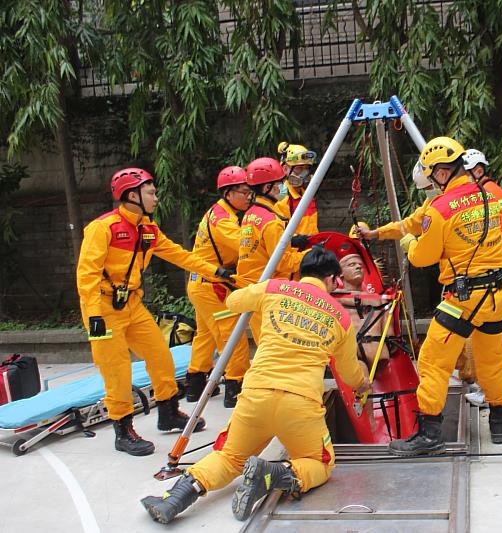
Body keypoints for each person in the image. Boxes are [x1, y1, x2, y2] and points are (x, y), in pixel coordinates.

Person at [141, 246, 370, 524]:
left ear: (301, 273)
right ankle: (274, 473)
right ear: (334, 279)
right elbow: (349, 375)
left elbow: (234, 301)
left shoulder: (275, 288)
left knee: (228, 457)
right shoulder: (341, 317)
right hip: (300, 405)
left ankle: (174, 499)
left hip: (255, 396)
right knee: (320, 463)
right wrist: (363, 379)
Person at [77, 168, 231, 456]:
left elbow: (179, 255)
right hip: (102, 308)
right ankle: (123, 431)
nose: (156, 198)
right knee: (117, 369)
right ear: (132, 195)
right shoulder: (104, 228)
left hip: (132, 305)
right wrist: (95, 315)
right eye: (151, 192)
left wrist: (217, 272)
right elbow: (87, 274)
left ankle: (168, 413)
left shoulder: (148, 230)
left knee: (161, 355)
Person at [387, 137, 502, 456]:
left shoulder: (440, 208)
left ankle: (429, 433)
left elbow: (423, 258)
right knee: (491, 361)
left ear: (441, 173)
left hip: (464, 299)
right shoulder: (489, 195)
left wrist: (409, 245)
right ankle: (498, 421)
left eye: (431, 177)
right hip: (497, 296)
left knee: (432, 360)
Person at [185, 166, 254, 409]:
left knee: (205, 335)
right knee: (232, 335)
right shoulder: (224, 220)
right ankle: (235, 386)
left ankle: (194, 384)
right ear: (228, 193)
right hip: (212, 286)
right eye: (243, 192)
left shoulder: (218, 213)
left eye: (250, 192)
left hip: (200, 285)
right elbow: (244, 246)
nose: (249, 197)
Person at [461, 149, 502, 406]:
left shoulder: (485, 195)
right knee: (499, 311)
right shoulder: (495, 190)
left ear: (476, 170)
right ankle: (499, 368)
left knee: (494, 314)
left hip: (499, 257)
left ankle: (497, 372)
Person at [239, 157, 307, 342]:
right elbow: (283, 263)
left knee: (264, 347)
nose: (282, 186)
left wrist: (291, 242)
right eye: (279, 183)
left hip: (253, 289)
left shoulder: (250, 215)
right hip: (270, 293)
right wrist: (309, 256)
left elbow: (262, 247)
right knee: (275, 349)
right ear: (267, 187)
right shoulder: (271, 222)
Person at [336, 249, 392, 370]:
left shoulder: (380, 299)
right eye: (351, 265)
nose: (358, 267)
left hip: (379, 353)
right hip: (353, 354)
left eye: (360, 265)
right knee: (363, 382)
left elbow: (390, 334)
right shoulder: (334, 297)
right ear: (341, 273)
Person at [275, 141, 319, 241]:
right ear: (285, 169)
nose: (304, 173)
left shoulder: (307, 195)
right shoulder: (281, 198)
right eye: (299, 168)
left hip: (311, 252)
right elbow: (279, 237)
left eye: (306, 168)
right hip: (296, 254)